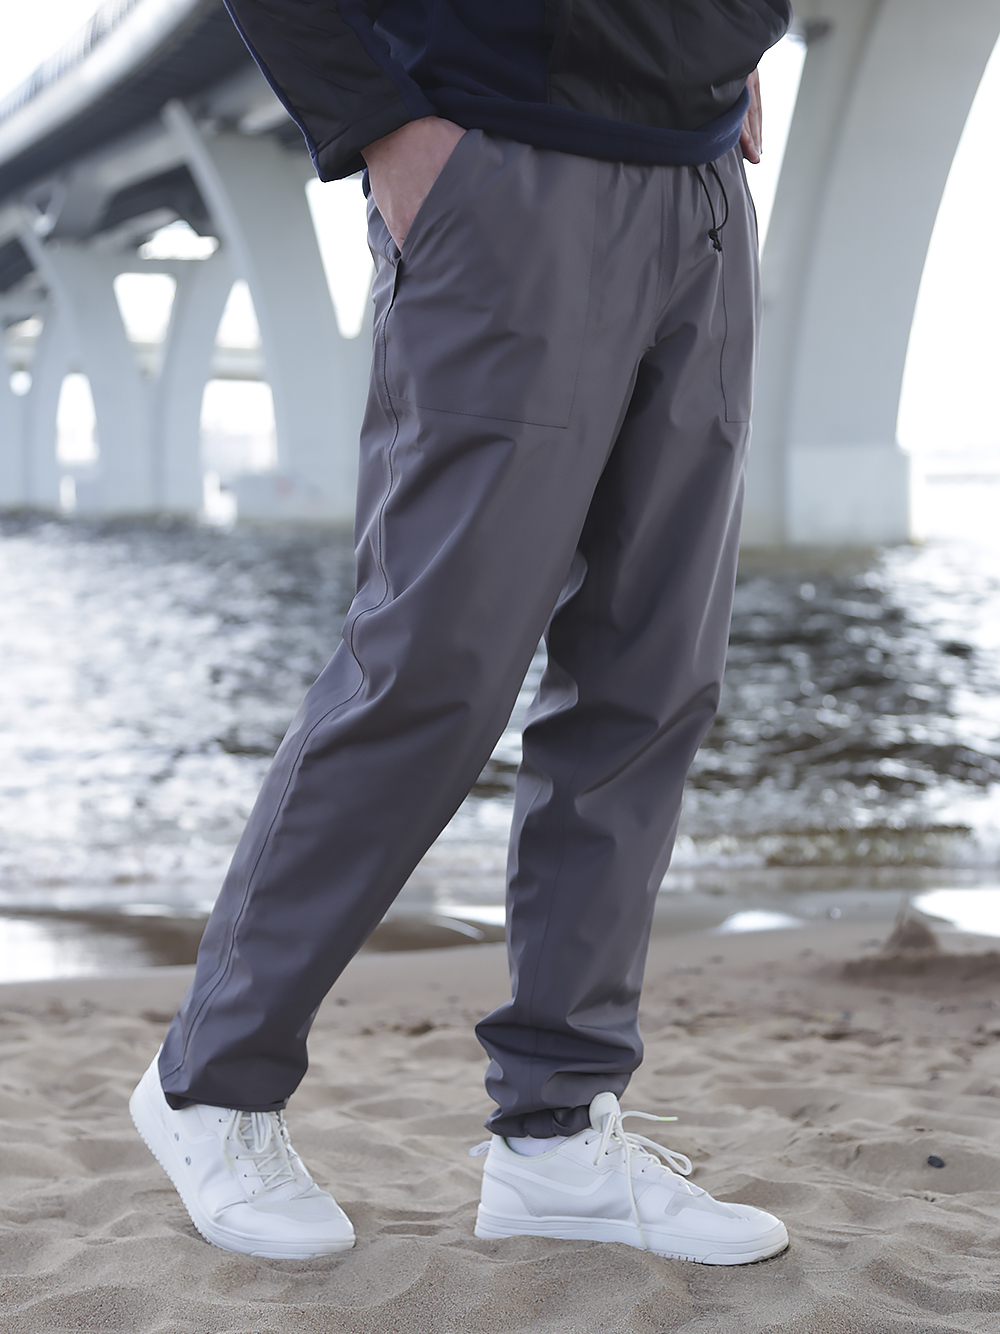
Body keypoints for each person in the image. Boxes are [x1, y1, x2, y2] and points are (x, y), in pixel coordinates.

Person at [131, 0, 792, 1265]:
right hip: (498, 164)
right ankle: (210, 1082)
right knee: (433, 667)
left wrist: (738, 39)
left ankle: (557, 1131)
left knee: (651, 676)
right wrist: (376, 122)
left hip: (702, 179)